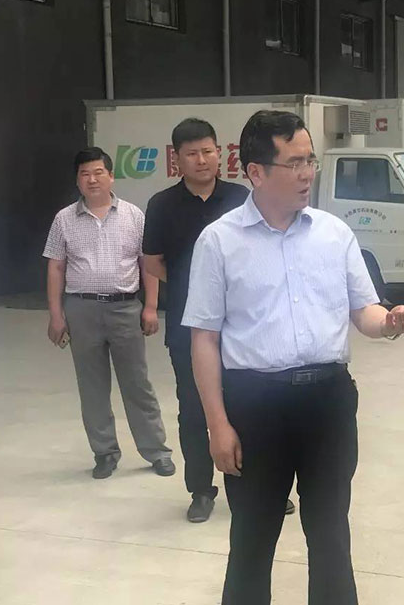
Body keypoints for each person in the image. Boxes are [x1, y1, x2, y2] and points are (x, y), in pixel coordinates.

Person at [182, 110, 404, 605]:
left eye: (310, 160)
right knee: (252, 538)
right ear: (256, 172)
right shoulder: (220, 241)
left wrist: (388, 322)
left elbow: (364, 311)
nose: (307, 173)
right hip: (254, 407)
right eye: (294, 163)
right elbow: (204, 339)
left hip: (327, 402)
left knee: (331, 533)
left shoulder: (334, 233)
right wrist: (217, 425)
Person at [143, 118, 254, 522]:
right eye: (192, 153)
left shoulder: (241, 198)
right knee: (193, 409)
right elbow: (152, 262)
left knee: (247, 406)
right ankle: (201, 491)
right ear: (177, 159)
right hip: (186, 328)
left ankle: (256, 486)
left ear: (219, 153)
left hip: (241, 324)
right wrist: (194, 287)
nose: (202, 160)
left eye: (208, 151)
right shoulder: (161, 204)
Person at [44, 147, 174, 480]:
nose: (92, 179)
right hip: (81, 309)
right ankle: (104, 452)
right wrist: (56, 314)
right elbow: (56, 268)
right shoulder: (64, 220)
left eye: (98, 172)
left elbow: (147, 264)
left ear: (111, 176)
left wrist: (150, 306)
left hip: (125, 308)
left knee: (137, 383)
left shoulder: (133, 216)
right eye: (85, 174)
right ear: (77, 180)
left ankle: (157, 451)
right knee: (92, 386)